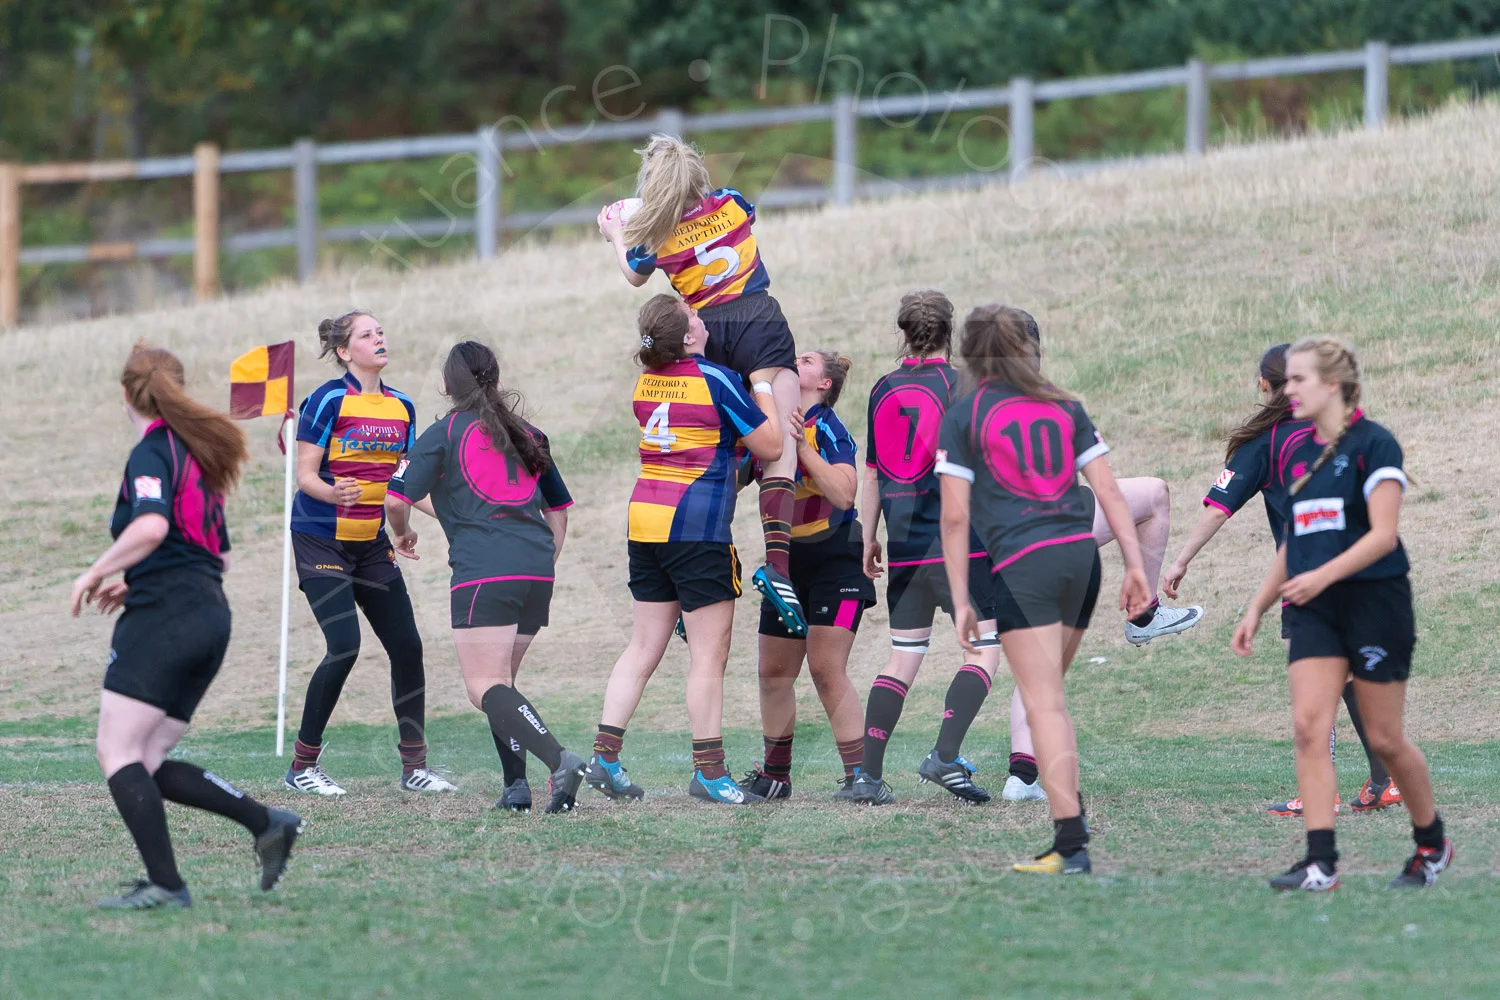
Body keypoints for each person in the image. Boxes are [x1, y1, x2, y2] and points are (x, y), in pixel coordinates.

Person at [70, 343, 302, 910]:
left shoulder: (153, 453)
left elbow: (150, 527)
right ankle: (267, 822)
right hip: (208, 615)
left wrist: (96, 572)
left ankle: (168, 885)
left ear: (127, 394)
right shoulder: (195, 459)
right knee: (145, 760)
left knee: (116, 750)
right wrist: (134, 578)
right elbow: (214, 557)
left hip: (167, 618)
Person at [936, 305, 1153, 875]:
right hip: (1081, 560)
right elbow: (1107, 490)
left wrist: (960, 597)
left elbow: (954, 519)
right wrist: (1136, 566)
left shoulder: (965, 415)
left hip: (1025, 566)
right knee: (1049, 694)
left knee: (1045, 703)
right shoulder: (1064, 404)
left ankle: (1071, 844)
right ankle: (1068, 833)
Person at [1233, 338, 1450, 892]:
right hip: (1314, 608)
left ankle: (1431, 843)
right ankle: (1320, 862)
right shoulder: (1294, 449)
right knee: (1310, 727)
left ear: (1332, 385)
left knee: (1384, 739)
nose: (1288, 390)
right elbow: (1295, 538)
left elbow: (1382, 535)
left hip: (1375, 602)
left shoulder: (1376, 445)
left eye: (1299, 379)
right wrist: (1259, 604)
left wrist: (1325, 575)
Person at [1165, 344, 1399, 817]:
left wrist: (1179, 561)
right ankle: (1385, 781)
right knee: (1347, 676)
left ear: (1264, 386)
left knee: (1313, 683)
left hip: (1311, 579)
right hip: (1362, 572)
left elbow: (1217, 508)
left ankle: (1323, 792)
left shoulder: (1268, 444)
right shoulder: (1340, 429)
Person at [597, 134, 807, 637]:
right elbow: (738, 221)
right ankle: (778, 571)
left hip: (706, 333)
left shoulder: (656, 235)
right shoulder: (733, 203)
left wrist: (616, 233)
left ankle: (699, 576)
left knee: (723, 452)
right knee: (781, 448)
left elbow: (633, 275)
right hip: (758, 316)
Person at [584, 294, 785, 805]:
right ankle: (710, 773)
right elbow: (772, 446)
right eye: (694, 315)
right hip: (695, 529)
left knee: (642, 646)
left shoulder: (646, 382)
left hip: (645, 522)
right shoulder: (715, 380)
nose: (703, 317)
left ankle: (604, 758)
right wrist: (762, 386)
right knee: (708, 654)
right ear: (690, 335)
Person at [385, 341, 587, 813]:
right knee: (503, 685)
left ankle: (560, 761)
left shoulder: (444, 432)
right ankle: (515, 788)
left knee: (484, 687)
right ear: (495, 378)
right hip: (536, 571)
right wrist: (542, 561)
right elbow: (559, 511)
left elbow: (396, 500)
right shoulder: (530, 432)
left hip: (483, 575)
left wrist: (403, 533)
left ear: (445, 386)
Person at [283, 311, 455, 796]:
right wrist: (334, 493)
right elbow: (306, 477)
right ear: (344, 351)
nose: (379, 339)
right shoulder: (325, 399)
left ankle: (414, 768)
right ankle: (302, 767)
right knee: (345, 645)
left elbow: (403, 485)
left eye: (381, 332)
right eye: (367, 334)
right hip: (319, 539)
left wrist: (454, 517)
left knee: (408, 646)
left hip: (372, 545)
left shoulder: (401, 406)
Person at [847, 291, 1003, 807]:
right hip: (964, 544)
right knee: (981, 650)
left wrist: (867, 537)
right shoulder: (966, 386)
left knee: (902, 658)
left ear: (904, 332)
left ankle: (867, 778)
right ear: (948, 332)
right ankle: (944, 755)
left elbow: (872, 476)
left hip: (906, 545)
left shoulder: (880, 389)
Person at [740, 350, 876, 801]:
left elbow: (843, 492)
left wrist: (801, 448)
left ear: (824, 385)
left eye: (811, 360)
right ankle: (776, 776)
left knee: (824, 667)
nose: (799, 359)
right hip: (787, 560)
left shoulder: (827, 425)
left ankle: (862, 778)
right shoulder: (771, 424)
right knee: (772, 672)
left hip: (836, 556)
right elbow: (741, 472)